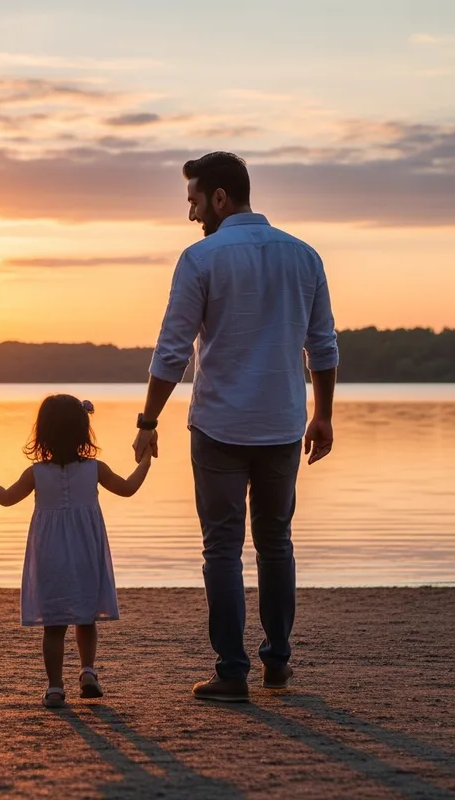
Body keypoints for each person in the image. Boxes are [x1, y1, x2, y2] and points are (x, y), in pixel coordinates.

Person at [133, 152, 338, 702]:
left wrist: (148, 419)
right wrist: (323, 415)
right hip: (281, 423)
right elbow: (322, 346)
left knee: (221, 548)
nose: (193, 214)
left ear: (220, 198)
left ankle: (231, 672)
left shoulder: (200, 258)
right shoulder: (305, 256)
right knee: (276, 543)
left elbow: (172, 350)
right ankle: (277, 663)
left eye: (195, 201)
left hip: (220, 426)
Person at [0, 395, 152, 708]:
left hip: (50, 554)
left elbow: (4, 498)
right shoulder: (95, 469)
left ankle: (55, 687)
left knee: (54, 625)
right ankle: (87, 671)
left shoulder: (35, 473)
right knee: (86, 618)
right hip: (86, 550)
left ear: (42, 434)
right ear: (84, 431)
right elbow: (128, 488)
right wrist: (146, 461)